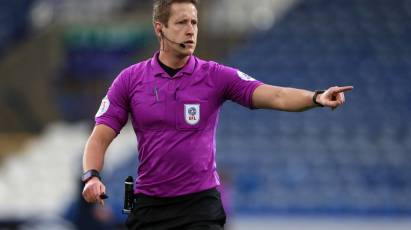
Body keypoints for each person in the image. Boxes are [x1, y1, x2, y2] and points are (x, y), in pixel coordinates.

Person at [81, 0, 353, 229]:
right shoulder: (131, 79)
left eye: (194, 23)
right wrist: (91, 175)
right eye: (181, 23)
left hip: (200, 204)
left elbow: (276, 95)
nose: (191, 30)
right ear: (159, 28)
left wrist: (316, 97)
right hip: (149, 206)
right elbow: (100, 136)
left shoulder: (215, 76)